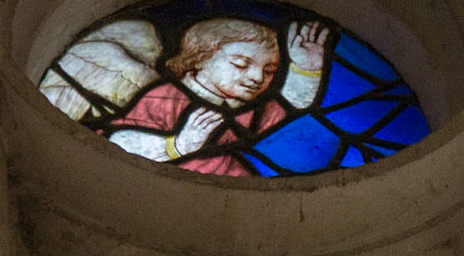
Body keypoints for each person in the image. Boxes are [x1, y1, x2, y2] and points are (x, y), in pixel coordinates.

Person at [105, 14, 329, 176]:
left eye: (270, 71)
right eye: (241, 64)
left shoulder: (243, 110)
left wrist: (305, 69)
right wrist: (179, 145)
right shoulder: (166, 96)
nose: (258, 78)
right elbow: (119, 142)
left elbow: (286, 105)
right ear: (200, 57)